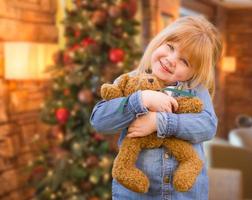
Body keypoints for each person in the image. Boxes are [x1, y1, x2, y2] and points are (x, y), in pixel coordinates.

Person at [90, 16, 222, 200]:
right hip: (137, 195)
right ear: (158, 43)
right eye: (170, 47)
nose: (171, 60)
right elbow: (100, 121)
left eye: (185, 61)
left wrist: (160, 122)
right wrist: (140, 99)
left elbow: (207, 126)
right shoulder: (130, 81)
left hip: (184, 195)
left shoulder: (195, 90)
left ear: (195, 72)